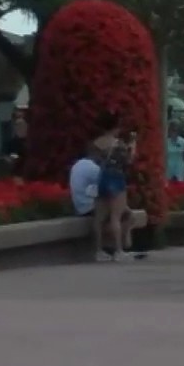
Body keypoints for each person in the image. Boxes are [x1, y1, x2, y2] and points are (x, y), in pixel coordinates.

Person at [91, 111, 136, 261]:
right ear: (115, 127)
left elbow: (95, 161)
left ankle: (99, 251)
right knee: (116, 216)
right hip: (116, 178)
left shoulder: (96, 143)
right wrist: (133, 147)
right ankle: (118, 251)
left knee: (99, 217)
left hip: (102, 177)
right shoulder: (119, 144)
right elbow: (128, 162)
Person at [69, 148, 101, 216]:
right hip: (90, 207)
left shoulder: (77, 164)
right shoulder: (92, 167)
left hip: (79, 208)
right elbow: (106, 184)